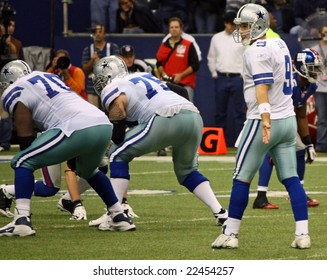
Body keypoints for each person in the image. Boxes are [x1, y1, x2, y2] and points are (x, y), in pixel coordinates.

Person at [211, 3, 311, 249]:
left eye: (245, 25)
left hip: (264, 121)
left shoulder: (256, 51)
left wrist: (265, 119)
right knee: (291, 179)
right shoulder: (279, 43)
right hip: (287, 121)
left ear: (258, 25)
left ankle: (231, 234)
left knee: (241, 178)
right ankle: (302, 235)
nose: (241, 30)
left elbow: (262, 87)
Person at [89, 55, 228, 229]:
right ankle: (221, 213)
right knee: (187, 171)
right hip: (193, 116)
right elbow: (182, 92)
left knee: (117, 153)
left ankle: (116, 215)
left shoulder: (112, 88)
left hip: (165, 117)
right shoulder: (146, 76)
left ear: (108, 77)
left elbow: (117, 136)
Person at [0, 60, 135, 237]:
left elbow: (25, 138)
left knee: (22, 161)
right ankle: (118, 215)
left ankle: (22, 220)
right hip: (101, 123)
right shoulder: (48, 77)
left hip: (73, 126)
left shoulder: (15, 89)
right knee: (89, 171)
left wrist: (34, 155)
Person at [253, 48, 323, 209]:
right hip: (268, 116)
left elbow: (301, 115)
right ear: (302, 67)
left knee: (300, 148)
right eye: (312, 67)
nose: (315, 72)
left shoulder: (309, 86)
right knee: (268, 152)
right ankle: (261, 196)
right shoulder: (291, 82)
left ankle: (298, 193)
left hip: (285, 119)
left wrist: (309, 142)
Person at [207, 12, 246, 147]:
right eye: (230, 24)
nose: (232, 27)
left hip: (237, 78)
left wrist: (242, 74)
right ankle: (219, 143)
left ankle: (241, 143)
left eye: (234, 24)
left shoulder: (242, 37)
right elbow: (211, 57)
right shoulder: (216, 38)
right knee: (220, 113)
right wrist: (214, 73)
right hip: (221, 77)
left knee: (240, 113)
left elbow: (246, 56)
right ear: (225, 23)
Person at [156, 17, 200, 103]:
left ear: (181, 29)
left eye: (176, 27)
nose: (174, 29)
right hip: (168, 85)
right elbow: (159, 63)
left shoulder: (188, 44)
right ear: (169, 29)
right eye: (172, 27)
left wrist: (181, 75)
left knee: (187, 109)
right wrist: (163, 73)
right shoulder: (164, 45)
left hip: (185, 84)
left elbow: (195, 65)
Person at [81, 24, 119, 108]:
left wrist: (100, 63)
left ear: (105, 34)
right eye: (95, 32)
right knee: (93, 114)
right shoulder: (88, 49)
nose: (97, 34)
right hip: (92, 88)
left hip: (110, 87)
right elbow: (85, 70)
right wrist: (92, 60)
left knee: (111, 112)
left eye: (100, 31)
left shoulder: (113, 48)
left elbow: (116, 67)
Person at [312, 24, 327, 152]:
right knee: (322, 118)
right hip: (320, 88)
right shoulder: (314, 50)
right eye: (325, 32)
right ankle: (321, 145)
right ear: (320, 34)